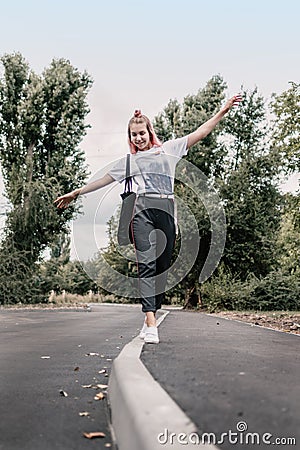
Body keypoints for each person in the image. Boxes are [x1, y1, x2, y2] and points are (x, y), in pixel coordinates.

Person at [54, 94, 242, 344]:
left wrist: (223, 110)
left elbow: (201, 132)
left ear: (149, 131)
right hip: (142, 210)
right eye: (134, 135)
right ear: (130, 138)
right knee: (147, 263)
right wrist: (77, 192)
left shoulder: (170, 149)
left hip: (166, 209)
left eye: (141, 132)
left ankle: (148, 318)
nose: (138, 138)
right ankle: (151, 320)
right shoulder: (130, 161)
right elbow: (103, 180)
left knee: (162, 267)